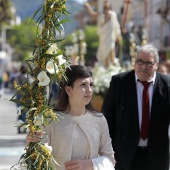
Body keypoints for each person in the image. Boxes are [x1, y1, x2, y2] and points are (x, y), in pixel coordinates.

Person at [26, 65, 115, 170]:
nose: (89, 90)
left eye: (91, 84)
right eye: (83, 85)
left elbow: (110, 159)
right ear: (68, 90)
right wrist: (31, 143)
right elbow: (38, 159)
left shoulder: (99, 120)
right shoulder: (50, 120)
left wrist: (90, 164)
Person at [102, 44, 170, 170]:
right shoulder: (119, 82)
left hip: (157, 156)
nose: (143, 67)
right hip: (124, 155)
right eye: (140, 61)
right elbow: (106, 119)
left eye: (148, 63)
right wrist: (108, 151)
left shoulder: (166, 85)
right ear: (135, 62)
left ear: (156, 65)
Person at [85, 1, 121, 68]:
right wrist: (88, 6)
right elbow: (92, 14)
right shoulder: (102, 14)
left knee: (111, 51)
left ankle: (113, 68)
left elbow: (116, 26)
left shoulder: (112, 15)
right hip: (104, 38)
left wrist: (118, 36)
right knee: (105, 55)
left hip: (110, 38)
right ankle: (107, 69)